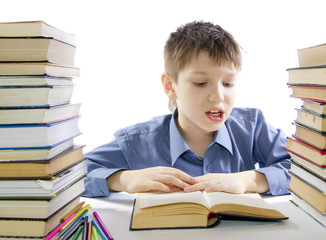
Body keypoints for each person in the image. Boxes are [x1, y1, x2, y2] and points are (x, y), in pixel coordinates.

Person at [83, 21, 291, 198]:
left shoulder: (252, 126)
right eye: (200, 83)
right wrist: (124, 179)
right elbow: (69, 176)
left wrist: (248, 180)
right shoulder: (136, 141)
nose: (218, 96)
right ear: (170, 86)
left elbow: (305, 172)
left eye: (228, 84)